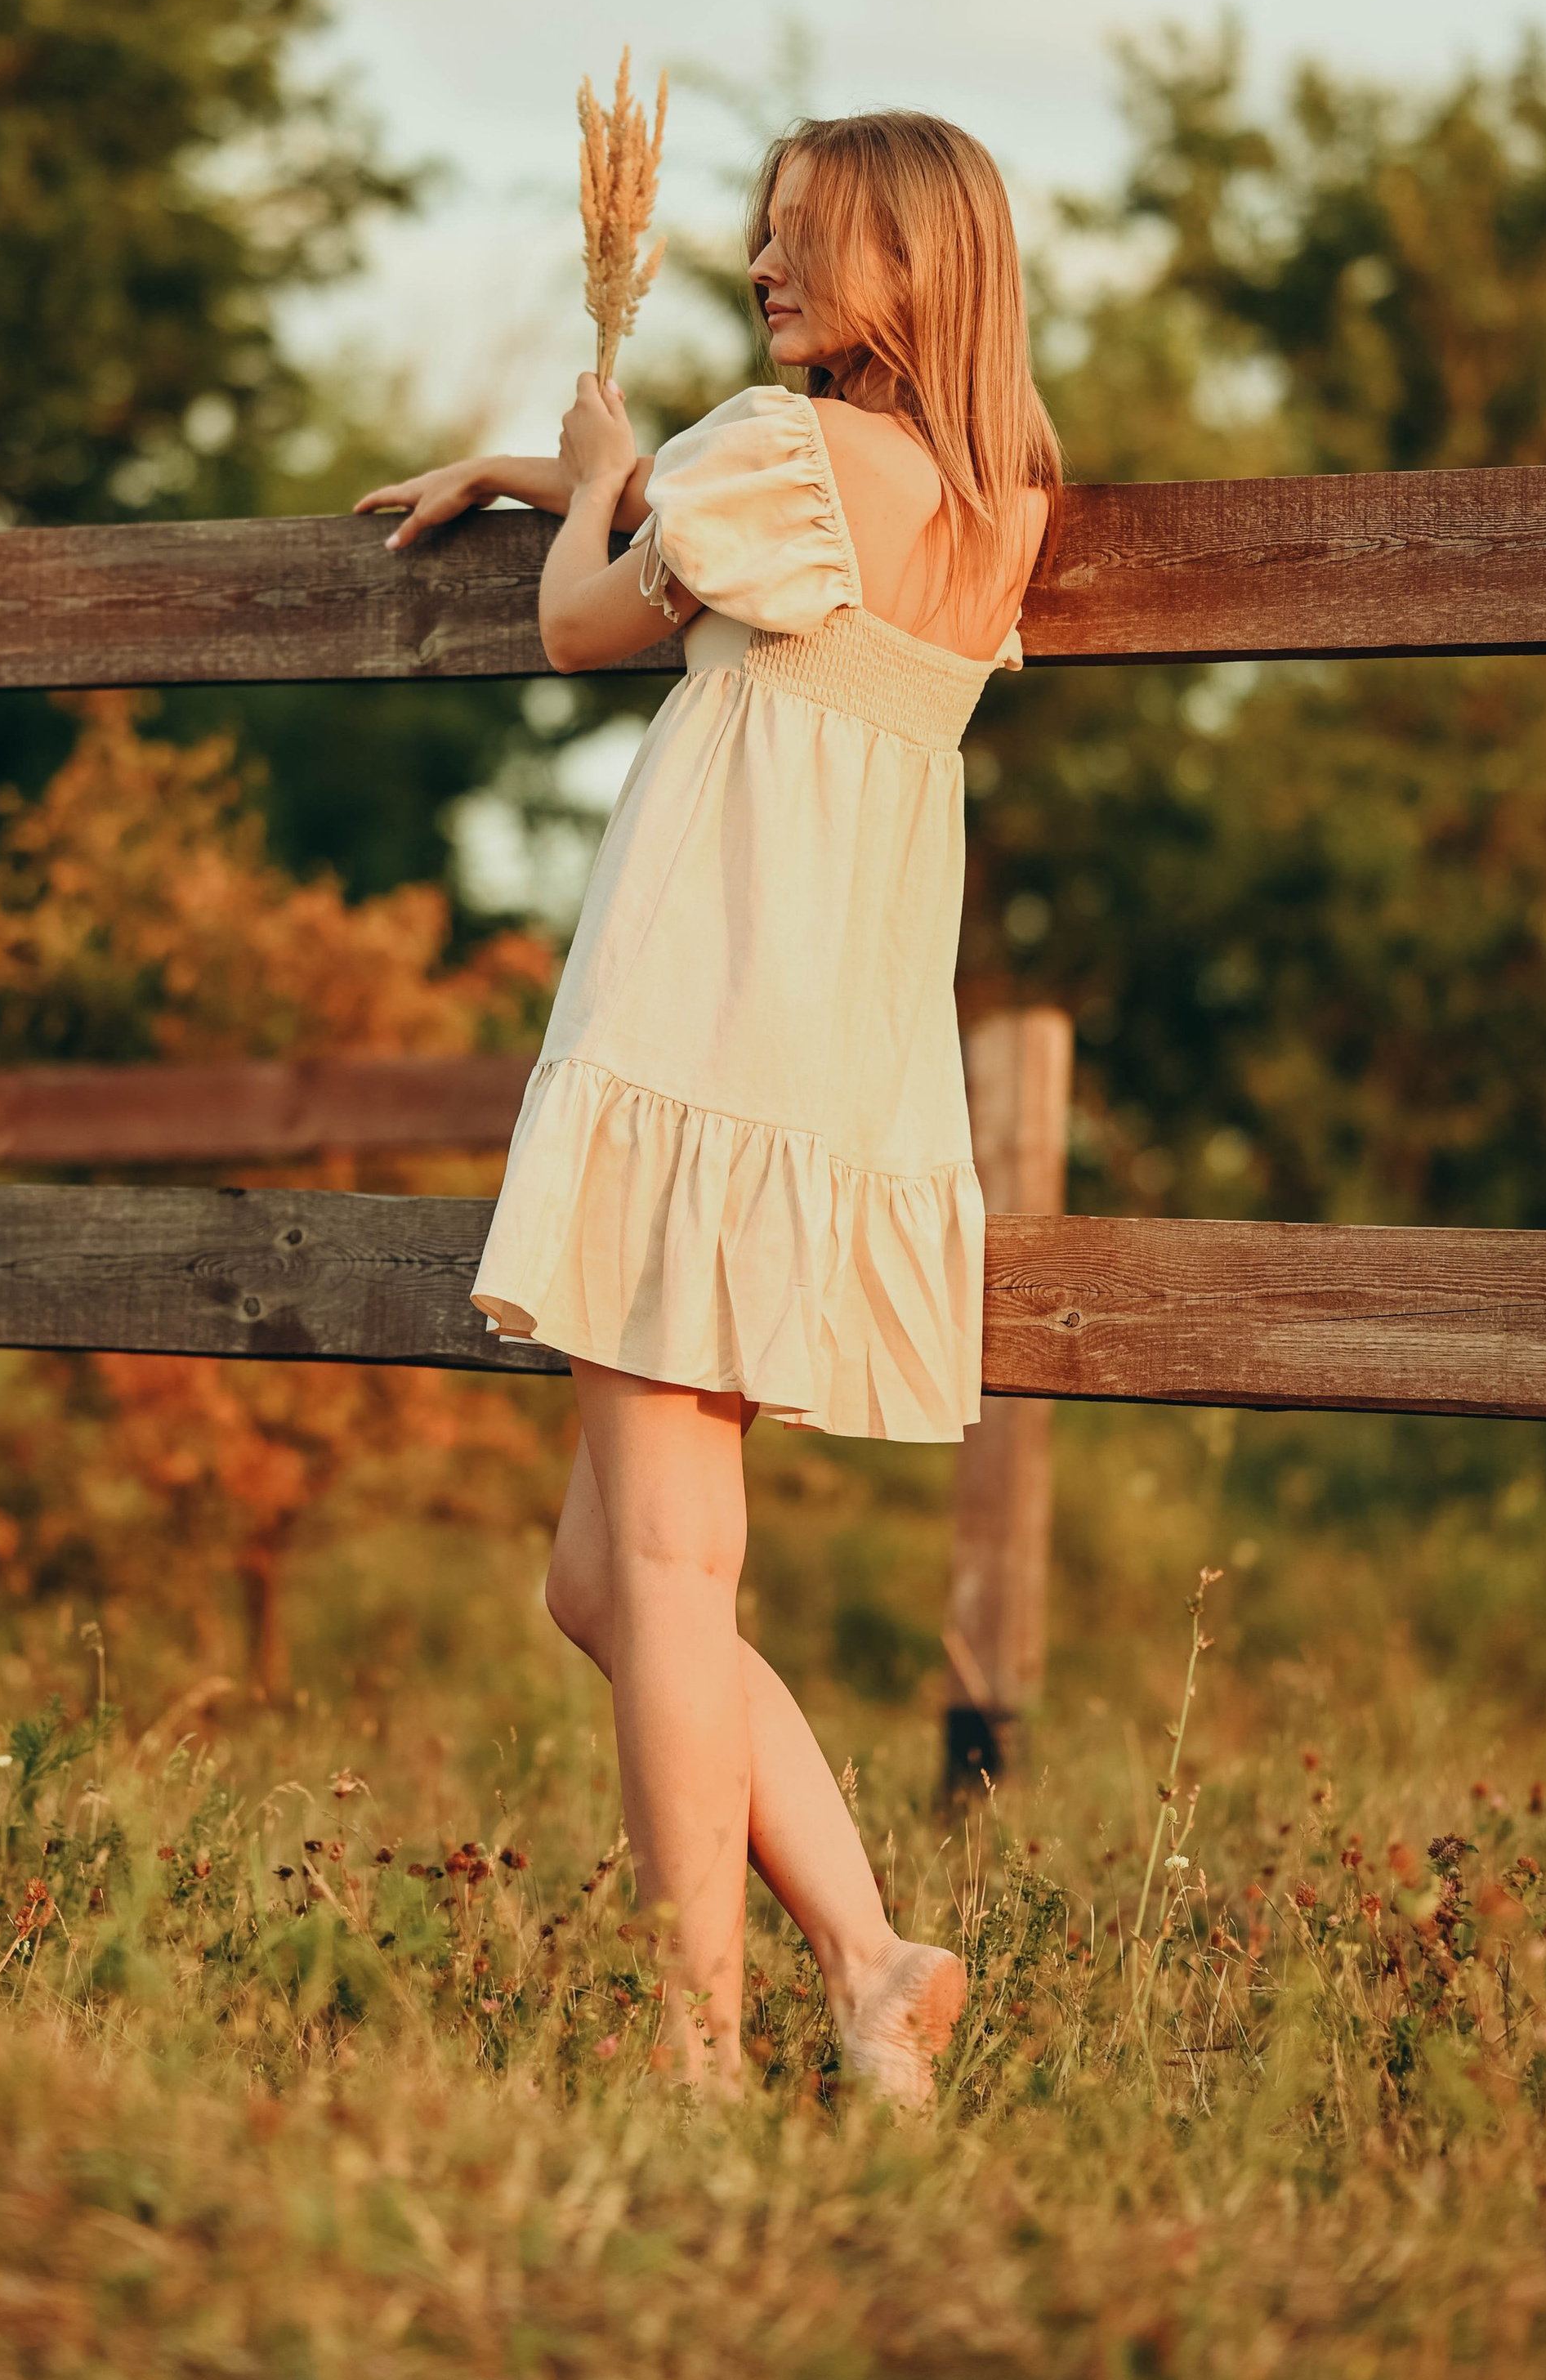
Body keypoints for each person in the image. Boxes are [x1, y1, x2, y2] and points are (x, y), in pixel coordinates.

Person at [355, 112, 1062, 2101]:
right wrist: (547, 472)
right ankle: (868, 1959)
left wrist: (586, 485)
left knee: (666, 1571)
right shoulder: (996, 492)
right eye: (761, 234)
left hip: (697, 1022)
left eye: (802, 238)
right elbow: (700, 518)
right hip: (825, 1058)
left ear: (911, 263)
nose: (761, 266)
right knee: (604, 1579)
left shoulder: (788, 443)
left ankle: (698, 2044)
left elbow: (581, 622)